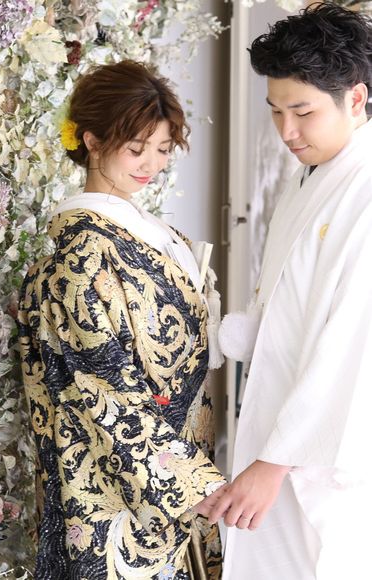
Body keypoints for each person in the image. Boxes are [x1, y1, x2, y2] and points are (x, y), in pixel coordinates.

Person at [17, 60, 226, 580]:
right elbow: (102, 385)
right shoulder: (82, 254)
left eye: (163, 149)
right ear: (92, 141)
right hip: (116, 485)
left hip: (175, 470)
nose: (151, 164)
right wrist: (191, 484)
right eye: (136, 148)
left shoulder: (151, 232)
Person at [197, 3, 372, 579]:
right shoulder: (315, 173)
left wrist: (274, 462)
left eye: (303, 112)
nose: (287, 132)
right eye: (276, 111)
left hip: (320, 456)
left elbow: (353, 344)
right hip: (281, 429)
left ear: (356, 99)